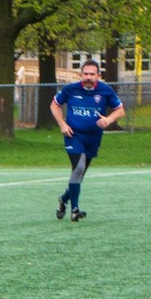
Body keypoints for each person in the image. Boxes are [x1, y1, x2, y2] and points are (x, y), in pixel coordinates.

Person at [50, 59, 125, 221]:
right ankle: (75, 210)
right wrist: (62, 124)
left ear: (98, 75)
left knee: (80, 174)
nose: (88, 77)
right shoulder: (71, 89)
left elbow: (120, 110)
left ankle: (63, 199)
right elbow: (54, 105)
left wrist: (108, 120)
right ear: (80, 74)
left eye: (92, 74)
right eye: (86, 74)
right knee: (78, 167)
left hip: (93, 138)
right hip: (73, 135)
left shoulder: (105, 91)